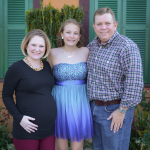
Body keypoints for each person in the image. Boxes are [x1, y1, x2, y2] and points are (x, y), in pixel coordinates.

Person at [87, 7, 143, 150]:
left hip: (115, 110)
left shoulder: (127, 47)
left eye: (107, 23)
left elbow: (134, 83)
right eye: (99, 24)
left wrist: (122, 110)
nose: (103, 27)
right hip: (94, 109)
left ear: (115, 25)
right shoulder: (92, 47)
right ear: (94, 26)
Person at [2, 29, 57, 150]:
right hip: (27, 129)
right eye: (33, 45)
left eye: (41, 46)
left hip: (48, 129)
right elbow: (6, 95)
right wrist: (19, 118)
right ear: (26, 45)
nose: (37, 49)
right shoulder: (16, 68)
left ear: (46, 48)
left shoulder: (47, 66)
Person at [47, 19, 94, 150]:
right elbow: (45, 79)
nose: (71, 36)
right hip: (59, 101)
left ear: (79, 36)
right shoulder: (52, 53)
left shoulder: (86, 51)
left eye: (75, 33)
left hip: (80, 101)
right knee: (60, 145)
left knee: (77, 144)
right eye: (68, 32)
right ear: (62, 34)